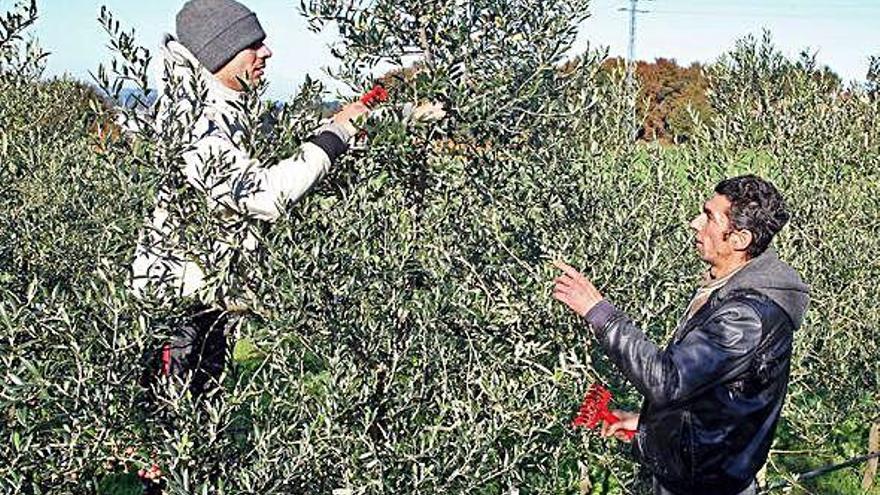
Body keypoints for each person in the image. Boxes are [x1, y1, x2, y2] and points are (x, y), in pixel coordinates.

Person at [130, 0, 439, 395]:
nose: (267, 52)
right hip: (178, 309)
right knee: (169, 433)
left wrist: (405, 115)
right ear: (219, 52)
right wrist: (337, 133)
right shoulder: (196, 123)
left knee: (200, 425)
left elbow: (302, 138)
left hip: (206, 301)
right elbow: (265, 194)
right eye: (253, 44)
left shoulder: (234, 108)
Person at [553, 175, 810, 495]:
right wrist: (652, 429)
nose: (694, 223)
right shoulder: (732, 288)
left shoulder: (744, 316)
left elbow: (668, 379)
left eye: (709, 217)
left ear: (740, 239)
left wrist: (599, 311)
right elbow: (709, 389)